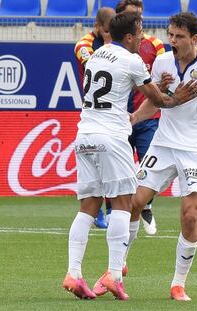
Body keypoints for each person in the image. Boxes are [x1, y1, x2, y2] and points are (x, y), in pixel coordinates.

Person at [62, 12, 197, 300]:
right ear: (128, 36)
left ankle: (73, 273)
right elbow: (160, 101)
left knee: (87, 207)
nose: (142, 38)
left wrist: (156, 88)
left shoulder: (97, 54)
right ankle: (114, 275)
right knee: (123, 204)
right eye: (139, 33)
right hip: (112, 136)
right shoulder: (133, 60)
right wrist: (178, 97)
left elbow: (125, 87)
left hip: (84, 135)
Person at [107, 12, 197, 301]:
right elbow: (156, 103)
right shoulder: (162, 62)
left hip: (196, 150)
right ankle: (118, 268)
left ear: (194, 38)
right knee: (133, 202)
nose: (173, 41)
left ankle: (178, 283)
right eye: (170, 35)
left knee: (190, 216)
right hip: (163, 144)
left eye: (179, 36)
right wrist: (132, 119)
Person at [116, 0, 171, 236]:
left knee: (149, 166)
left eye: (139, 15)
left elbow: (160, 76)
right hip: (119, 119)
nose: (139, 20)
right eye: (133, 16)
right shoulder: (114, 50)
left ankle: (146, 206)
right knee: (123, 169)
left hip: (147, 115)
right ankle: (122, 212)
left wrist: (162, 93)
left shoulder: (155, 44)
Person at [74, 7, 115, 229]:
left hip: (113, 113)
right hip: (92, 112)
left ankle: (111, 209)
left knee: (112, 165)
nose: (109, 36)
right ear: (97, 27)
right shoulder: (84, 45)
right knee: (93, 165)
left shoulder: (114, 42)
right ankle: (94, 209)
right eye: (106, 31)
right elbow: (94, 66)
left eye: (112, 32)